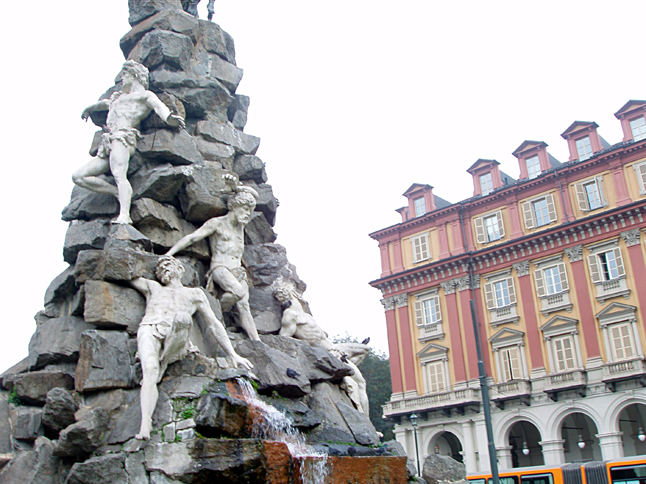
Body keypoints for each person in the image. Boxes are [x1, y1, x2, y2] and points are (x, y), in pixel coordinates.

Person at [130, 256, 253, 440]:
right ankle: (145, 425)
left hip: (177, 335)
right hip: (149, 328)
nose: (163, 268)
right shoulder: (153, 287)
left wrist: (233, 354)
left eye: (167, 264)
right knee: (150, 371)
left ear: (180, 269)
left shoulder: (195, 294)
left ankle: (163, 362)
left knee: (182, 319)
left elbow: (213, 324)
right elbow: (127, 275)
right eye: (159, 268)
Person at [73, 60, 185, 224]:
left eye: (125, 74)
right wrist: (89, 108)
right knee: (78, 176)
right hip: (108, 142)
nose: (122, 77)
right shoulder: (118, 97)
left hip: (123, 138)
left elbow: (158, 106)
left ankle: (125, 215)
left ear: (135, 75)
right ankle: (116, 192)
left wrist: (169, 118)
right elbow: (104, 105)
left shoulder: (144, 96)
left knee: (119, 175)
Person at [167, 174, 261, 341]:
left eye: (250, 210)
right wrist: (169, 253)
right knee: (238, 293)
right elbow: (192, 238)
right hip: (220, 268)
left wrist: (240, 189)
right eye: (245, 209)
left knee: (244, 305)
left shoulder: (240, 228)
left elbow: (252, 193)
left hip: (238, 270)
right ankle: (214, 316)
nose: (248, 214)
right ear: (234, 206)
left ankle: (257, 342)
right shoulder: (217, 223)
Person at [273, 282, 371, 415]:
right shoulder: (290, 315)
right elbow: (283, 339)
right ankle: (365, 420)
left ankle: (347, 366)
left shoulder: (306, 315)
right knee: (360, 383)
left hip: (334, 347)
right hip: (327, 354)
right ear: (291, 294)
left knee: (364, 348)